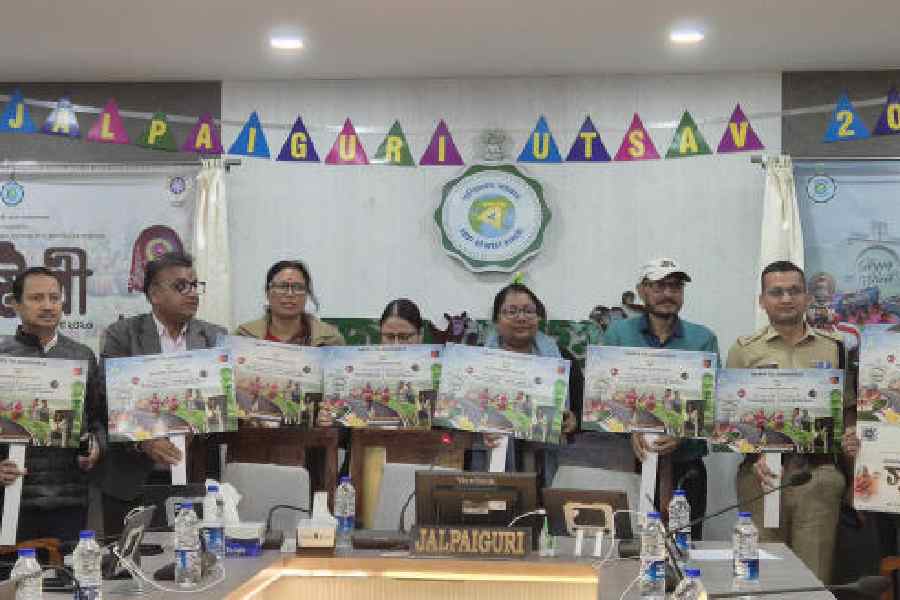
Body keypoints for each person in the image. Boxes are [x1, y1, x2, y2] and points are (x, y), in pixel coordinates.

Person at [726, 260, 853, 584]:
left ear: (807, 297)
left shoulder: (835, 347)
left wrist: (852, 434)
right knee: (762, 577)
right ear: (762, 300)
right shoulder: (743, 352)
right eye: (776, 292)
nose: (786, 299)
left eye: (794, 291)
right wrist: (754, 457)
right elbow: (728, 421)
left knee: (812, 579)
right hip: (760, 475)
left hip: (818, 476)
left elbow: (848, 411)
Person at [96, 251, 227, 536]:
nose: (192, 293)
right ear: (155, 294)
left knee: (195, 561)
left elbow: (220, 401)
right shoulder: (123, 335)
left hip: (196, 469)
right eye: (181, 286)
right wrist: (145, 441)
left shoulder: (214, 337)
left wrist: (199, 427)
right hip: (131, 476)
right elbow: (106, 397)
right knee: (128, 568)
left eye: (195, 285)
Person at [600, 257, 719, 539]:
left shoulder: (703, 339)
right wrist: (630, 429)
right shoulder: (618, 334)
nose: (668, 294)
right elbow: (603, 396)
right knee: (627, 548)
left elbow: (713, 403)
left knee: (684, 548)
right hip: (630, 464)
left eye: (675, 287)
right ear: (642, 290)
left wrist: (684, 433)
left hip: (685, 467)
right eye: (659, 286)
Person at [0, 267, 101, 542]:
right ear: (15, 305)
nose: (47, 306)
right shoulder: (2, 356)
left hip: (69, 499)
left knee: (66, 579)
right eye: (36, 298)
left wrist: (95, 445)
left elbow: (98, 420)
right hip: (10, 496)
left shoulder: (82, 356)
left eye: (54, 298)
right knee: (13, 581)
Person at [476, 283, 582, 484]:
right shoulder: (476, 360)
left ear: (539, 318)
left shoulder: (562, 359)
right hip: (488, 459)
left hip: (546, 462)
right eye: (511, 311)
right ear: (496, 321)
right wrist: (477, 426)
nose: (521, 318)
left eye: (528, 311)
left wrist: (574, 420)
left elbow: (582, 410)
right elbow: (457, 413)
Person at [236, 260, 345, 346]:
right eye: (282, 286)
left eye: (298, 287)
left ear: (307, 294)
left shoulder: (330, 339)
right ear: (268, 293)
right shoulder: (244, 336)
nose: (290, 294)